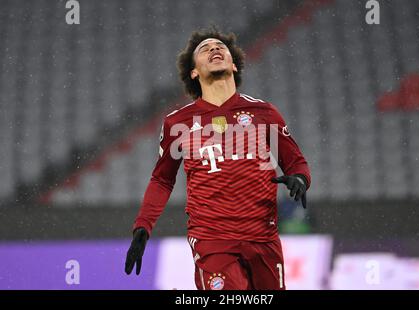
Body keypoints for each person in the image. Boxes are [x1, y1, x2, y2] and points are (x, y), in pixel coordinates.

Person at [125, 28, 311, 290]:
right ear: (193, 72)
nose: (214, 49)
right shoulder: (178, 122)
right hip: (212, 240)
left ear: (233, 64)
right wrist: (143, 227)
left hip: (263, 237)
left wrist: (301, 178)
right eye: (205, 49)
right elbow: (162, 180)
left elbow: (295, 162)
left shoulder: (263, 112)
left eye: (220, 47)